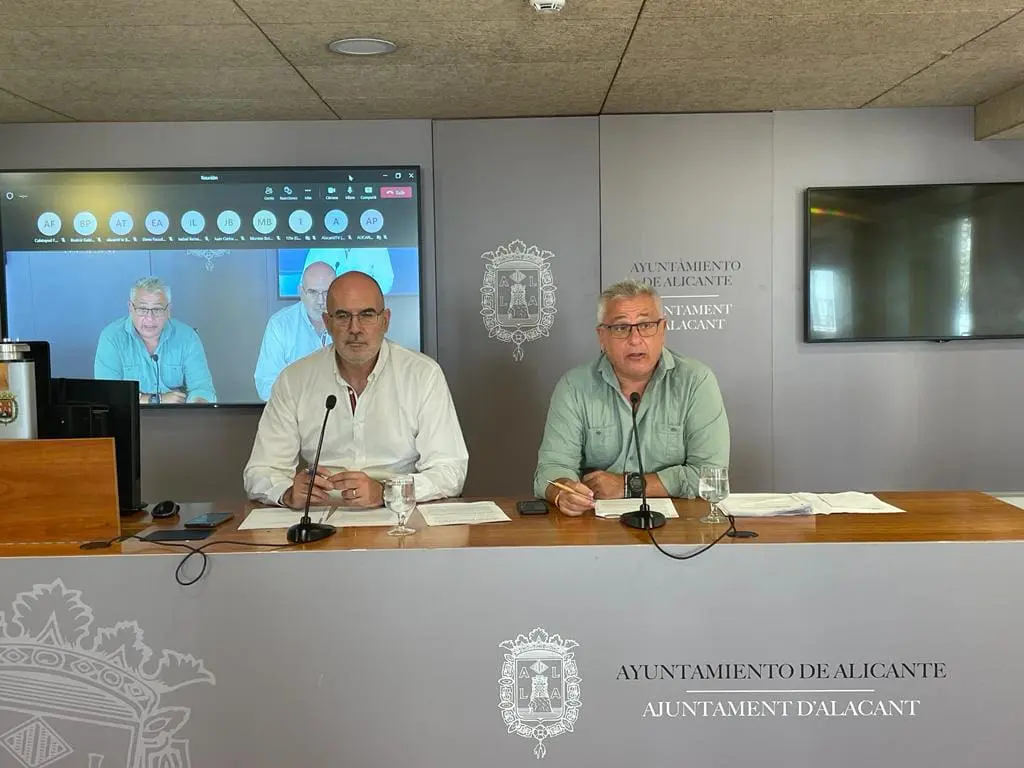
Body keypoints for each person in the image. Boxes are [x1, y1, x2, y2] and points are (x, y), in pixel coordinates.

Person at [243, 271, 467, 509]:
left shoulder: (423, 375)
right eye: (342, 316)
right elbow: (261, 471)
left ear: (385, 321)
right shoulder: (293, 380)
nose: (355, 328)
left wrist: (386, 492)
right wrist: (287, 493)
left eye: (367, 315)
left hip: (398, 513)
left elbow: (450, 471)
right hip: (320, 515)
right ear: (327, 323)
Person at [533, 280, 729, 516]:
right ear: (602, 337)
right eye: (620, 328)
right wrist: (563, 492)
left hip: (680, 527)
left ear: (663, 330)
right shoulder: (574, 386)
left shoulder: (695, 381)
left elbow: (710, 475)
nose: (635, 339)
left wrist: (627, 485)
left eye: (646, 325)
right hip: (595, 525)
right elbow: (552, 468)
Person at [94, 277, 216, 404]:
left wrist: (196, 407)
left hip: (176, 413)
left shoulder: (187, 337)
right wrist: (155, 400)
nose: (150, 318)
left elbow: (202, 388)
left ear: (168, 310)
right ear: (130, 308)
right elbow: (107, 394)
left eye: (157, 310)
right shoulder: (112, 338)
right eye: (142, 309)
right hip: (129, 413)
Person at [253, 260, 336, 401]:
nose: (320, 301)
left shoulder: (351, 321)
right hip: (295, 412)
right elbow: (266, 386)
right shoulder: (280, 325)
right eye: (313, 292)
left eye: (327, 292)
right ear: (301, 292)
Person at [305, 247, 394, 295]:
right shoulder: (321, 245)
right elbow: (306, 280)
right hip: (328, 305)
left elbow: (385, 282)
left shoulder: (376, 245)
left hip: (363, 304)